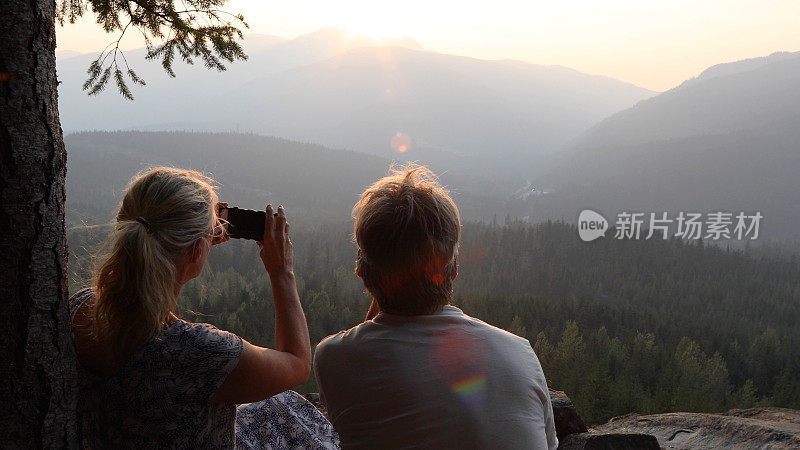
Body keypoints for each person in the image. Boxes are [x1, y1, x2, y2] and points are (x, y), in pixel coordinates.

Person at [69, 167, 339, 449]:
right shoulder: (198, 353)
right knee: (291, 412)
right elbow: (296, 364)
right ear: (198, 250)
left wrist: (196, 244)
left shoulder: (81, 309)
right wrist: (282, 271)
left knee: (277, 406)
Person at [313, 164, 558, 449]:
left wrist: (383, 277)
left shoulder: (333, 357)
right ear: (454, 269)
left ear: (360, 269)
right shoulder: (520, 352)